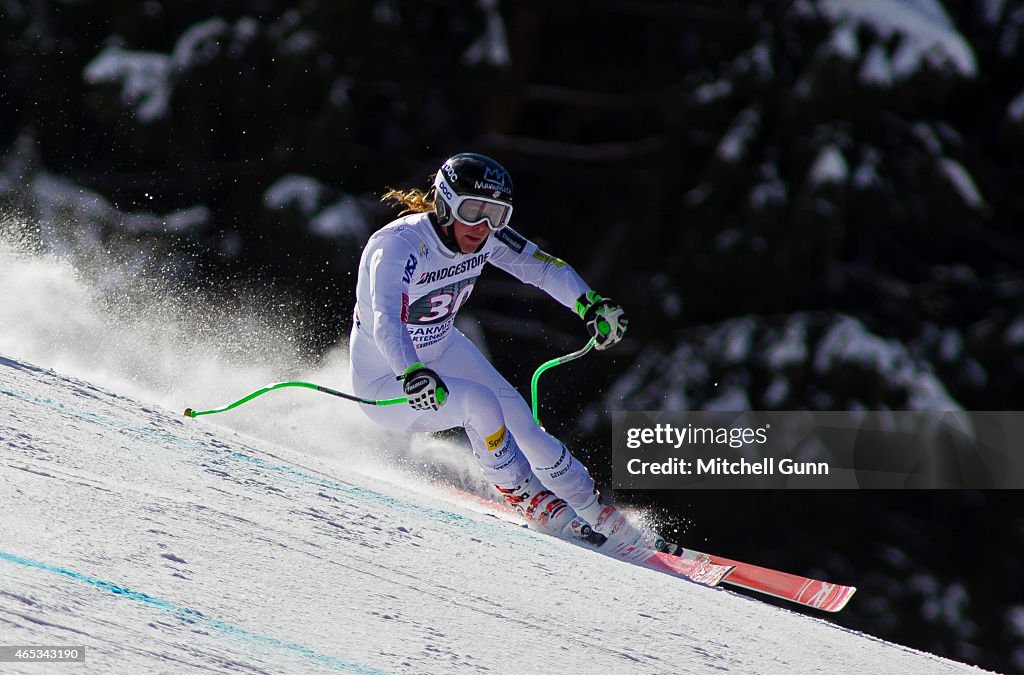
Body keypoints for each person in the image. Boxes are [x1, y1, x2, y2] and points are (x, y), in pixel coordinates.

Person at [349, 152, 649, 553]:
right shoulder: (398, 246)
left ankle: (597, 512)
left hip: (442, 347)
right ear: (444, 202)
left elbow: (542, 267)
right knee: (480, 405)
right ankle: (531, 499)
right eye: (473, 210)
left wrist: (590, 304)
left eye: (497, 213)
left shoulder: (485, 238)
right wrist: (412, 371)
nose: (483, 226)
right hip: (388, 380)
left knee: (525, 427)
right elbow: (389, 319)